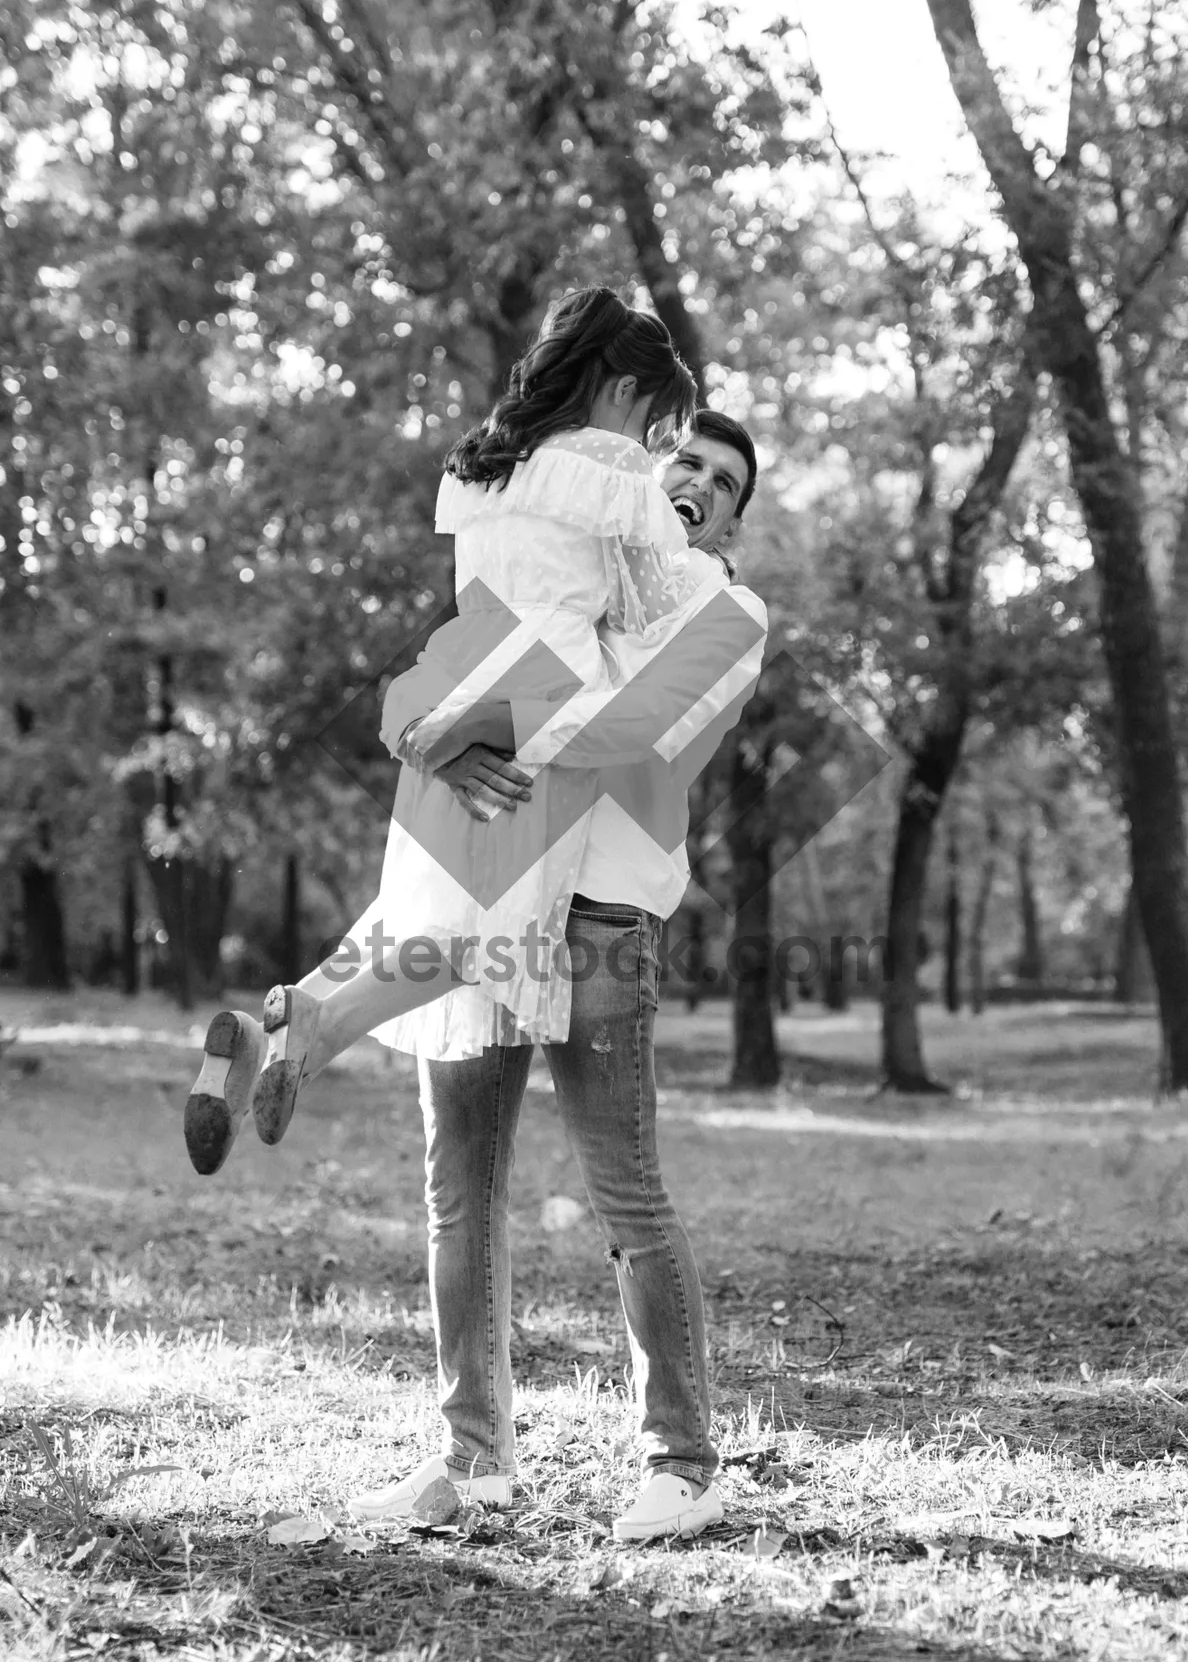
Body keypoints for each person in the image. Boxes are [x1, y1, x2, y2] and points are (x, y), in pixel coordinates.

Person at [184, 290, 730, 1176]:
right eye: (653, 418)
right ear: (625, 389)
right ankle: (313, 1023)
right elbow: (641, 606)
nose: (653, 443)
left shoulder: (486, 461)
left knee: (430, 909)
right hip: (540, 697)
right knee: (488, 936)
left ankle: (277, 1035)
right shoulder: (613, 466)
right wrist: (695, 551)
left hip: (461, 673)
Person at [345, 408, 767, 1544]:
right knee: (460, 1194)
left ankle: (683, 1464)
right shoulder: (564, 574)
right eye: (684, 459)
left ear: (733, 521)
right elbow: (410, 694)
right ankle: (473, 1461)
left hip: (600, 924)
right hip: (489, 899)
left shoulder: (726, 610)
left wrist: (459, 726)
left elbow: (628, 730)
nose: (699, 484)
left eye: (724, 483)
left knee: (626, 1195)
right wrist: (423, 725)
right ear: (638, 473)